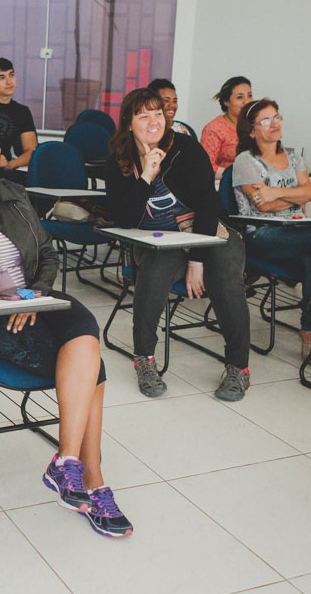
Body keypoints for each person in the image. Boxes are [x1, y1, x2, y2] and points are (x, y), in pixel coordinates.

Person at [0, 112, 132, 538]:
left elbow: (49, 256)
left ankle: (67, 462)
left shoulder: (15, 196)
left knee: (83, 330)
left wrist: (34, 295)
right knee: (94, 366)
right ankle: (90, 478)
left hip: (38, 302)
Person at [105, 87, 252, 401]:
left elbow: (207, 203)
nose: (153, 121)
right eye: (143, 115)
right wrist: (145, 176)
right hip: (159, 241)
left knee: (226, 278)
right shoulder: (119, 158)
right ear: (128, 123)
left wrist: (197, 259)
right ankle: (144, 360)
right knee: (153, 274)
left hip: (205, 232)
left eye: (158, 113)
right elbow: (124, 219)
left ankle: (238, 368)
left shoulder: (185, 147)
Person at [230, 98, 311, 362]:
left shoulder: (294, 156)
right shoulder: (245, 160)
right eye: (265, 120)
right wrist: (294, 197)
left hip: (297, 234)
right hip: (261, 236)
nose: (274, 124)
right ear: (251, 131)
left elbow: (308, 193)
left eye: (277, 117)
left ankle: (308, 330)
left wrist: (275, 192)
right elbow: (263, 204)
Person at [201, 76, 252, 179]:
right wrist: (236, 176)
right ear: (226, 101)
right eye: (240, 97)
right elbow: (206, 167)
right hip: (224, 185)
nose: (246, 102)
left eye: (249, 96)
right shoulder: (213, 129)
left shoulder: (254, 125)